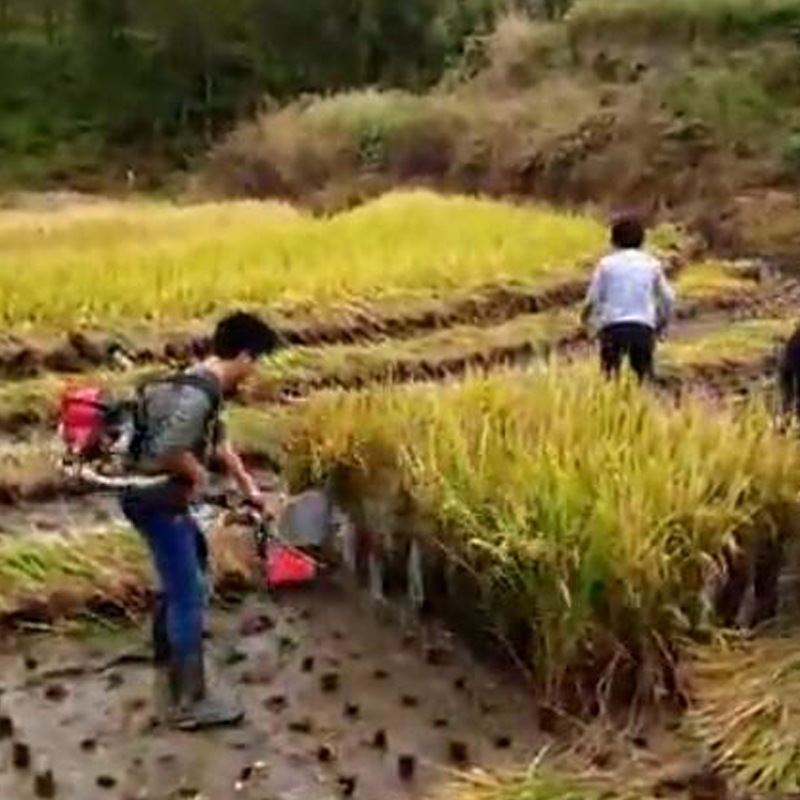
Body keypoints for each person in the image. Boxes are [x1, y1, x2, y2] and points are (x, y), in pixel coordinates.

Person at [120, 312, 281, 731]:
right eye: (257, 360)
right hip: (155, 500)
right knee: (188, 590)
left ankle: (166, 650)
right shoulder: (199, 395)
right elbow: (171, 448)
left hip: (144, 494)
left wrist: (252, 491)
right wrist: (198, 476)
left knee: (194, 556)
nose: (255, 370)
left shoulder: (197, 382)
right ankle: (189, 702)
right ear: (245, 355)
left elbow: (220, 444)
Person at [581, 214, 675, 382]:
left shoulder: (606, 265)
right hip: (643, 328)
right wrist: (661, 325)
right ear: (642, 241)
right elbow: (668, 299)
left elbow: (592, 299)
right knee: (643, 379)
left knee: (610, 381)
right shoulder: (652, 264)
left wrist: (587, 322)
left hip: (612, 328)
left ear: (613, 241)